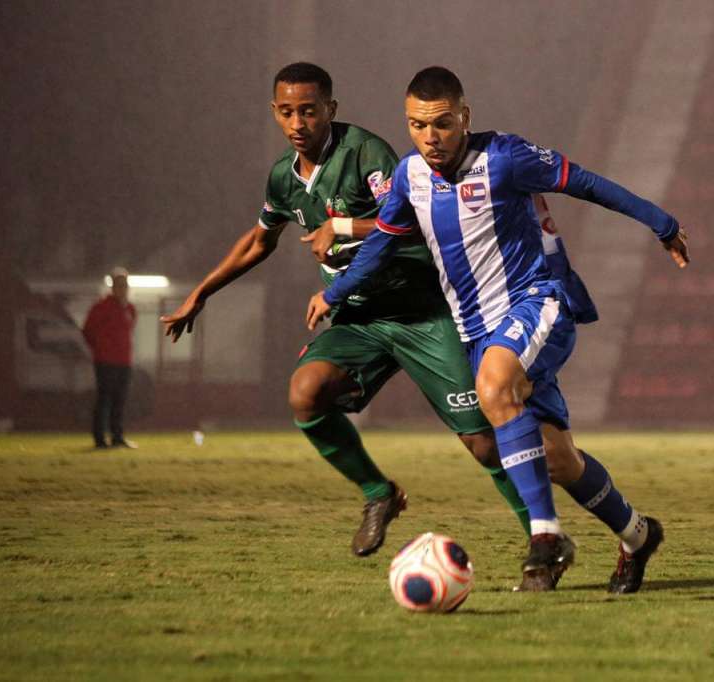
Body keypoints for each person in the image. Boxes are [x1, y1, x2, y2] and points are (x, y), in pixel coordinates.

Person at [307, 66, 690, 593]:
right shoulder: (409, 176)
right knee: (558, 458)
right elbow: (385, 240)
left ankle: (546, 538)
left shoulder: (505, 158)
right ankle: (637, 534)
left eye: (441, 123)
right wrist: (336, 290)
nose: (429, 137)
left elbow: (587, 183)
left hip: (536, 302)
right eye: (417, 125)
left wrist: (661, 222)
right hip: (476, 330)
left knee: (493, 388)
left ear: (465, 116)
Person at [160, 62, 530, 557]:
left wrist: (343, 226)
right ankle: (379, 494)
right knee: (305, 393)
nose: (298, 123)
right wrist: (201, 292)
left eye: (309, 111)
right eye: (287, 112)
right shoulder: (283, 180)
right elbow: (258, 241)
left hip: (422, 313)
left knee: (482, 443)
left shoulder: (365, 154)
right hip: (360, 320)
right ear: (274, 112)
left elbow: (417, 220)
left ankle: (542, 539)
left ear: (330, 110)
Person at [83, 267, 138, 449]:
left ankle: (117, 436)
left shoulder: (130, 309)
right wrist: (100, 349)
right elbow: (88, 331)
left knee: (120, 400)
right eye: (119, 285)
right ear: (113, 287)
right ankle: (99, 438)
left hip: (124, 361)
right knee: (104, 399)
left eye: (125, 285)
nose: (123, 289)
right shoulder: (101, 307)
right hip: (105, 361)